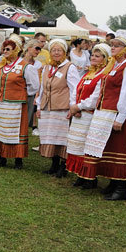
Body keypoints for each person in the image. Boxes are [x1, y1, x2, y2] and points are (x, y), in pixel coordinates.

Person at [80, 30, 126, 200]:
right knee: (108, 149)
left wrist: (120, 117)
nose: (113, 48)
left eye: (117, 45)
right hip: (105, 113)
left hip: (118, 114)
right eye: (112, 45)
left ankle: (121, 188)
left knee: (118, 149)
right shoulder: (113, 65)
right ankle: (113, 183)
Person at [0, 35, 37, 169]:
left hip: (15, 105)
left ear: (16, 50)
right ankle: (2, 157)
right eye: (4, 49)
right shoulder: (1, 65)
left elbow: (34, 86)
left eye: (8, 49)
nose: (4, 51)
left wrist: (21, 93)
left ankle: (18, 159)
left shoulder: (26, 67)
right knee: (0, 129)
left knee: (13, 130)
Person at [66, 43, 112, 189]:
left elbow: (95, 98)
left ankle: (90, 178)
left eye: (97, 56)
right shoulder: (88, 73)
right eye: (92, 55)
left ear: (105, 59)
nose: (93, 58)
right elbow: (76, 90)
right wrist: (73, 106)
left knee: (86, 147)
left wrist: (78, 106)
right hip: (79, 115)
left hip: (90, 116)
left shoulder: (102, 75)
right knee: (77, 146)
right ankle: (80, 174)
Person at [35, 39, 80, 177]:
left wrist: (72, 107)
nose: (56, 53)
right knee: (51, 136)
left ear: (65, 52)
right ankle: (54, 164)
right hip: (47, 107)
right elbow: (42, 88)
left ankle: (63, 166)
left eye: (59, 50)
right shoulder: (47, 67)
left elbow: (75, 89)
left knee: (62, 137)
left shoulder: (70, 67)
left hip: (62, 108)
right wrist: (38, 105)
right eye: (53, 50)